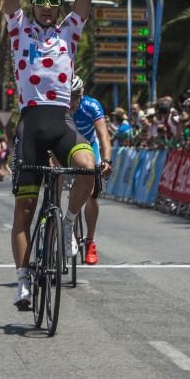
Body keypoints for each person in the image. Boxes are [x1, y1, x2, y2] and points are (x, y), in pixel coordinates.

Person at [4, 0, 103, 309]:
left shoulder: (69, 34)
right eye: (40, 1)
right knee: (24, 210)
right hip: (30, 124)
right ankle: (25, 279)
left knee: (89, 169)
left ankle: (65, 223)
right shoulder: (18, 29)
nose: (46, 7)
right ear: (32, 5)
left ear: (60, 9)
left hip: (61, 122)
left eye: (53, 3)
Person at [69, 76, 112, 265]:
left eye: (75, 96)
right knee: (56, 178)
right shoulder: (60, 106)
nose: (71, 101)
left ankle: (90, 241)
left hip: (89, 145)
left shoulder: (91, 106)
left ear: (82, 94)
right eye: (68, 96)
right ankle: (61, 229)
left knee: (91, 193)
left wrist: (107, 160)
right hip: (66, 146)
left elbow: (103, 136)